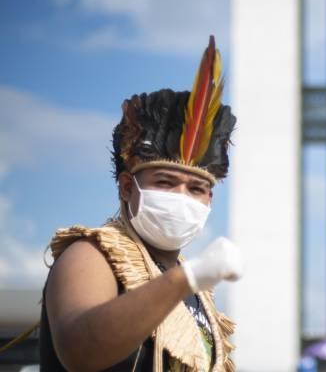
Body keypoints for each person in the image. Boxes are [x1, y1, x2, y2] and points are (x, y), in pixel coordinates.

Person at [39, 36, 243, 372]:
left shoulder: (200, 294)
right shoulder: (91, 255)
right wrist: (185, 280)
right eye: (164, 182)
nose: (181, 197)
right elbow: (80, 351)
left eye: (197, 188)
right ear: (126, 187)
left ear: (211, 198)